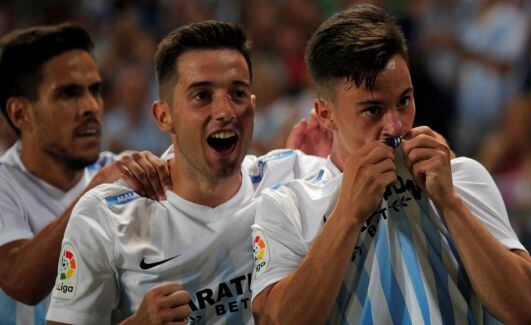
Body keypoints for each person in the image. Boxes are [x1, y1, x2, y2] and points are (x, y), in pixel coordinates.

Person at [250, 5, 531, 324]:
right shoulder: (286, 206)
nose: (396, 125)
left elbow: (524, 308)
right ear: (325, 114)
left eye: (404, 101)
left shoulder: (461, 177)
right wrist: (348, 214)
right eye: (373, 110)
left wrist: (451, 204)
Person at [45, 21, 329, 324]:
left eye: (238, 94)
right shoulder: (106, 216)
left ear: (253, 105)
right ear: (164, 116)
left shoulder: (293, 175)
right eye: (202, 96)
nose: (225, 111)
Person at [0, 23, 170, 324]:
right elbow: (20, 283)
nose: (91, 107)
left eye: (95, 90)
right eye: (69, 94)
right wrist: (93, 192)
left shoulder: (119, 173)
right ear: (20, 113)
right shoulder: (5, 185)